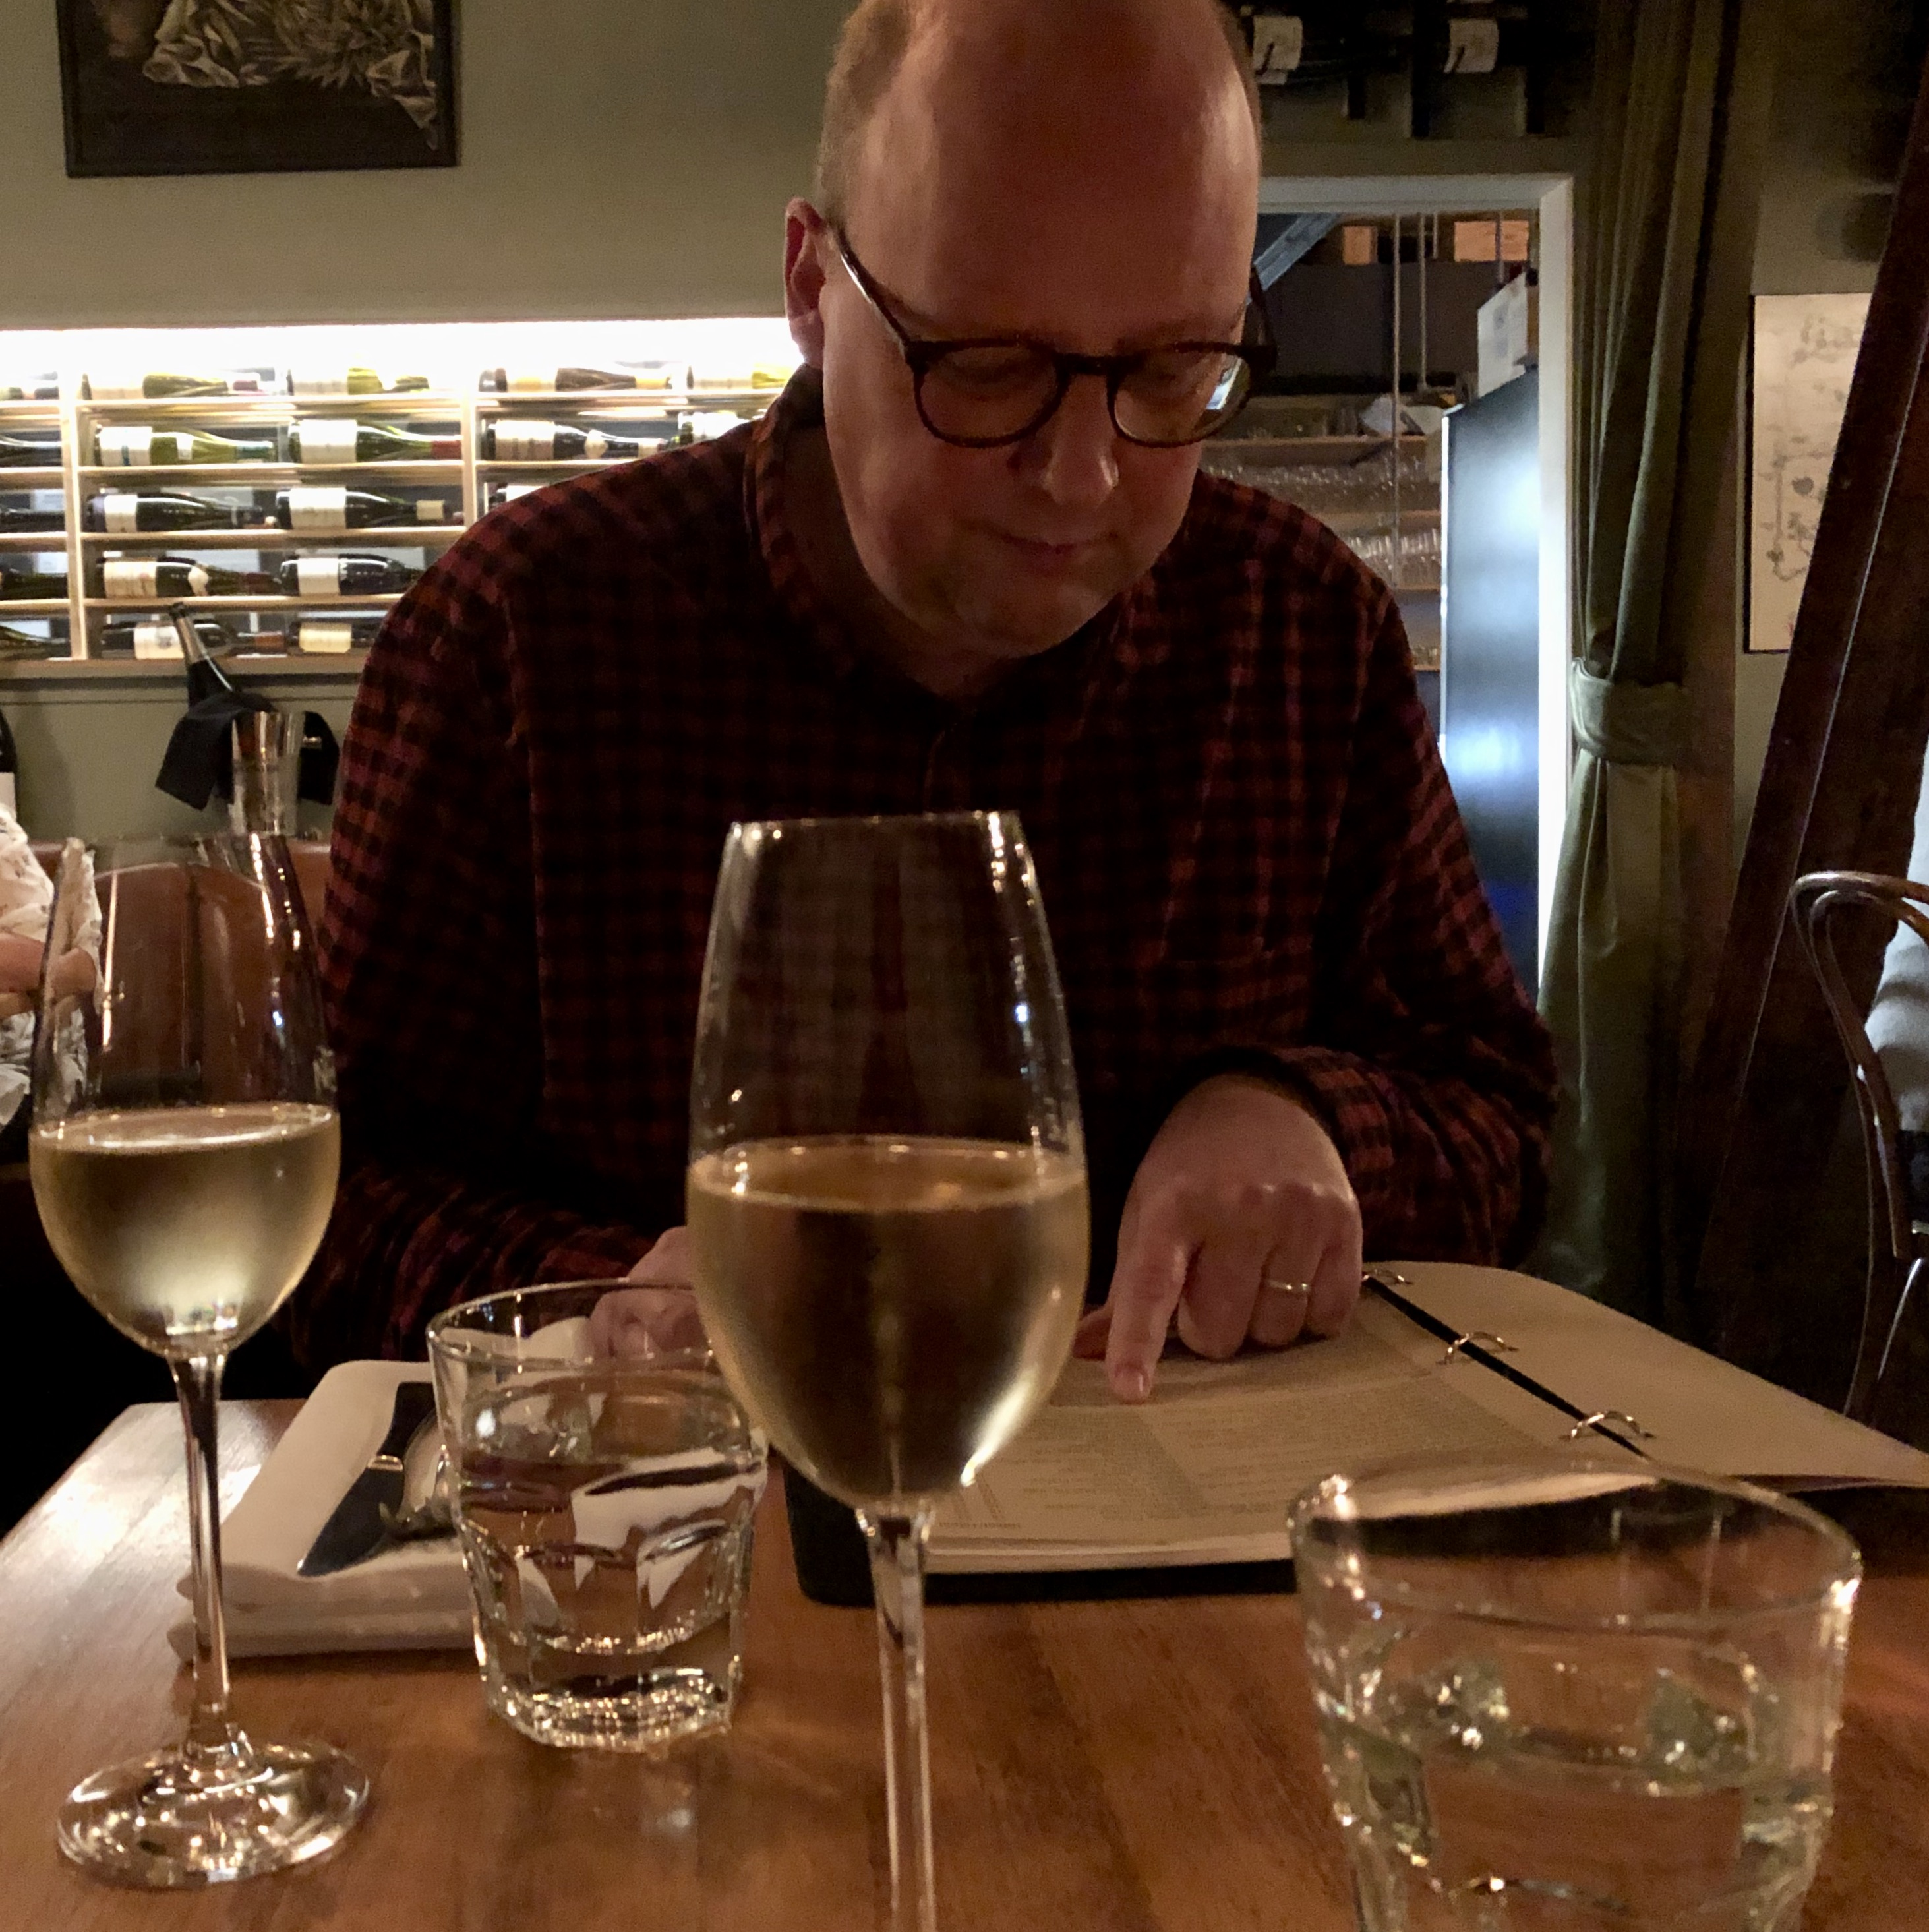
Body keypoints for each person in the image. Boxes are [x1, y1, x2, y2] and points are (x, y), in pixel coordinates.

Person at [292, 0, 1557, 1402]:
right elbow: (336, 1210)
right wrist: (603, 1303)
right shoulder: (513, 639)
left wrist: (1300, 1116)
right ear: (809, 290)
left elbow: (1499, 1118)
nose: (1080, 476)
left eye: (1170, 371)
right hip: (682, 1512)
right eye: (986, 367)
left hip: (1192, 1519)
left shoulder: (1302, 630)